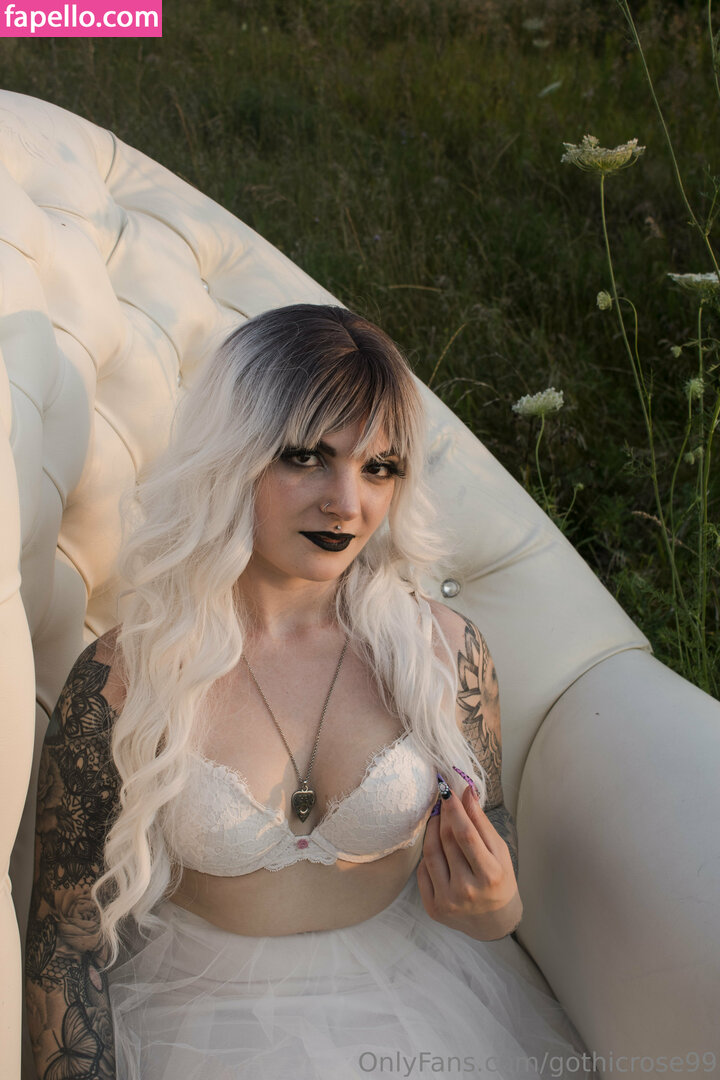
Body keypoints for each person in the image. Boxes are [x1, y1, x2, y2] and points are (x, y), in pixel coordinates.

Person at [25, 304, 595, 1080]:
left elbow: (484, 816)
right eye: (306, 458)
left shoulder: (440, 653)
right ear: (232, 457)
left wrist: (499, 905)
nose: (347, 504)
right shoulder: (125, 677)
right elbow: (65, 939)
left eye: (379, 467)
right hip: (194, 1025)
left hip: (421, 1015)